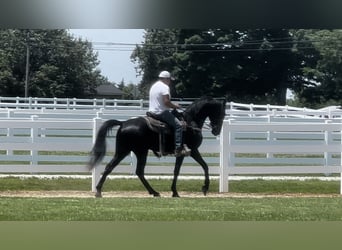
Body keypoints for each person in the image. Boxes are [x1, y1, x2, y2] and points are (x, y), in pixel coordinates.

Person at [148, 70, 191, 157]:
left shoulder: (154, 86)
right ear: (166, 79)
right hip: (161, 112)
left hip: (151, 111)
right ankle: (178, 149)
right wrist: (175, 106)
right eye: (169, 80)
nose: (170, 82)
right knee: (179, 125)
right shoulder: (164, 87)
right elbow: (166, 102)